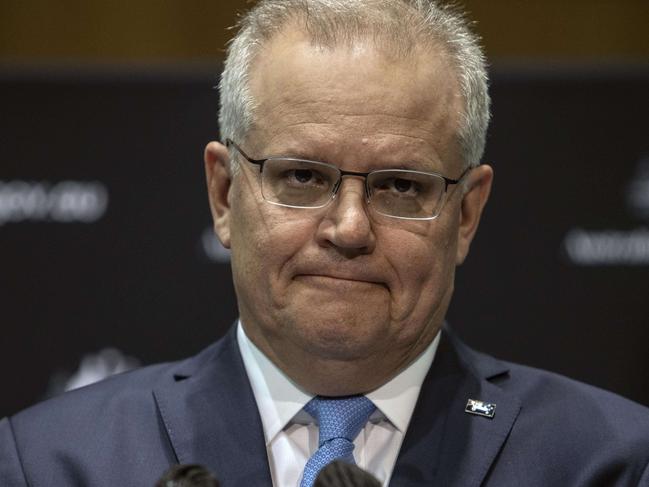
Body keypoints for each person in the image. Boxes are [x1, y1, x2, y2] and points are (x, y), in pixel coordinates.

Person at [1, 1, 649, 486]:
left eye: (399, 185)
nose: (348, 228)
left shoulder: (608, 459)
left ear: (466, 212)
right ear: (225, 194)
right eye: (303, 176)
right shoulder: (53, 462)